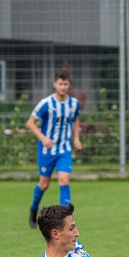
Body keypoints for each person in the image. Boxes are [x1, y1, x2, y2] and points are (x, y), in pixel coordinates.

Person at [26, 68, 82, 229]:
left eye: (65, 84)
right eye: (60, 84)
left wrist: (76, 138)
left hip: (64, 149)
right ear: (55, 84)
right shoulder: (46, 103)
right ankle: (33, 209)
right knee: (44, 184)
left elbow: (76, 120)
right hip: (47, 150)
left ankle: (65, 218)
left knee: (64, 180)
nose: (63, 87)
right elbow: (30, 122)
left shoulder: (73, 103)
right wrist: (43, 138)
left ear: (69, 85)